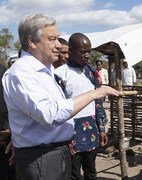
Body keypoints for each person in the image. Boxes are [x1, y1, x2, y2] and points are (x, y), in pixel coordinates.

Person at [1, 13, 119, 180]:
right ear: (32, 41)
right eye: (52, 39)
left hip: (51, 153)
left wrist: (24, 139)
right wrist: (95, 93)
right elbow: (50, 114)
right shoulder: (22, 73)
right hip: (42, 158)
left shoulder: (44, 72)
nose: (58, 45)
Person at [54, 32, 109, 180]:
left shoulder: (91, 72)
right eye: (82, 52)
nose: (87, 56)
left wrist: (101, 129)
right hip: (71, 134)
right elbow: (58, 109)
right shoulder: (60, 74)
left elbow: (98, 103)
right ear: (70, 51)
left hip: (91, 132)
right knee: (74, 174)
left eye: (89, 52)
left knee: (91, 172)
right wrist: (66, 138)